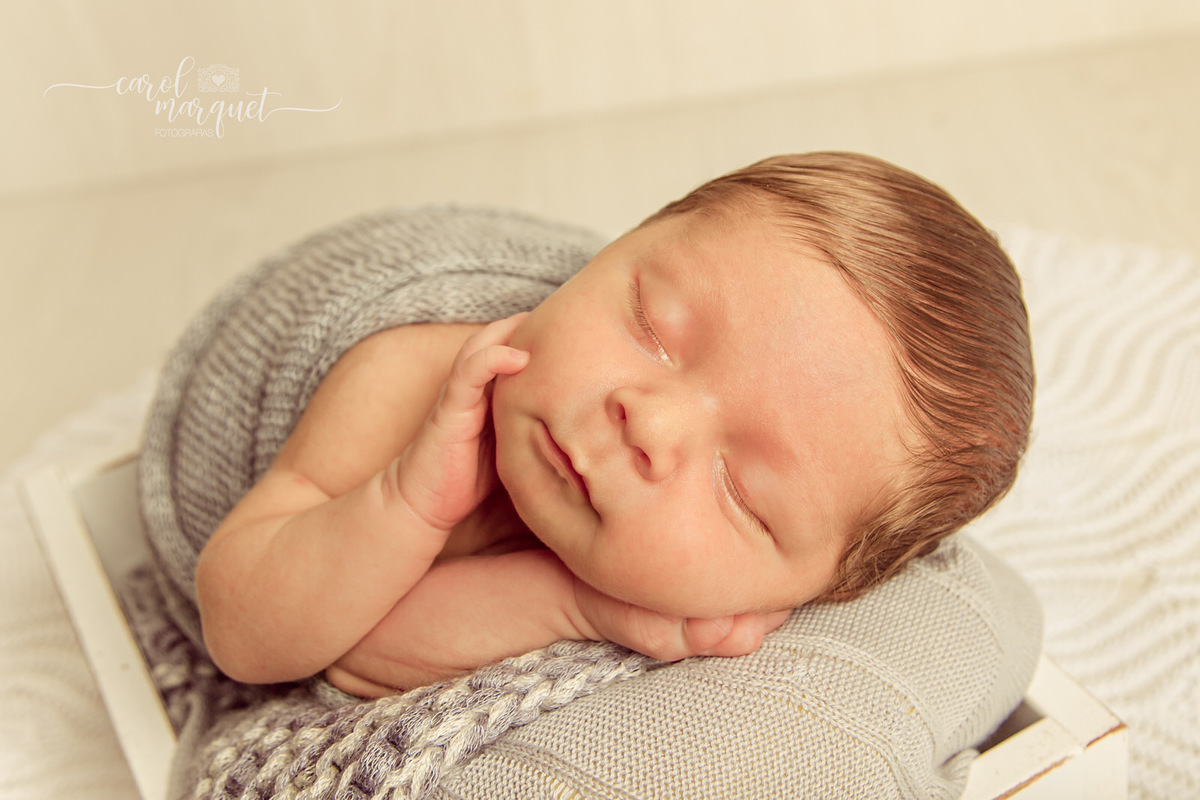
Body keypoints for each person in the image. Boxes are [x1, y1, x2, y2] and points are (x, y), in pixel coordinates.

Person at [192, 152, 1033, 698]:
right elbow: (261, 640)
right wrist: (405, 504)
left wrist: (576, 605)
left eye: (739, 489)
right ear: (626, 241)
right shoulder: (402, 375)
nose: (648, 422)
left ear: (812, 595)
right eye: (652, 326)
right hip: (262, 348)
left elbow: (381, 639)